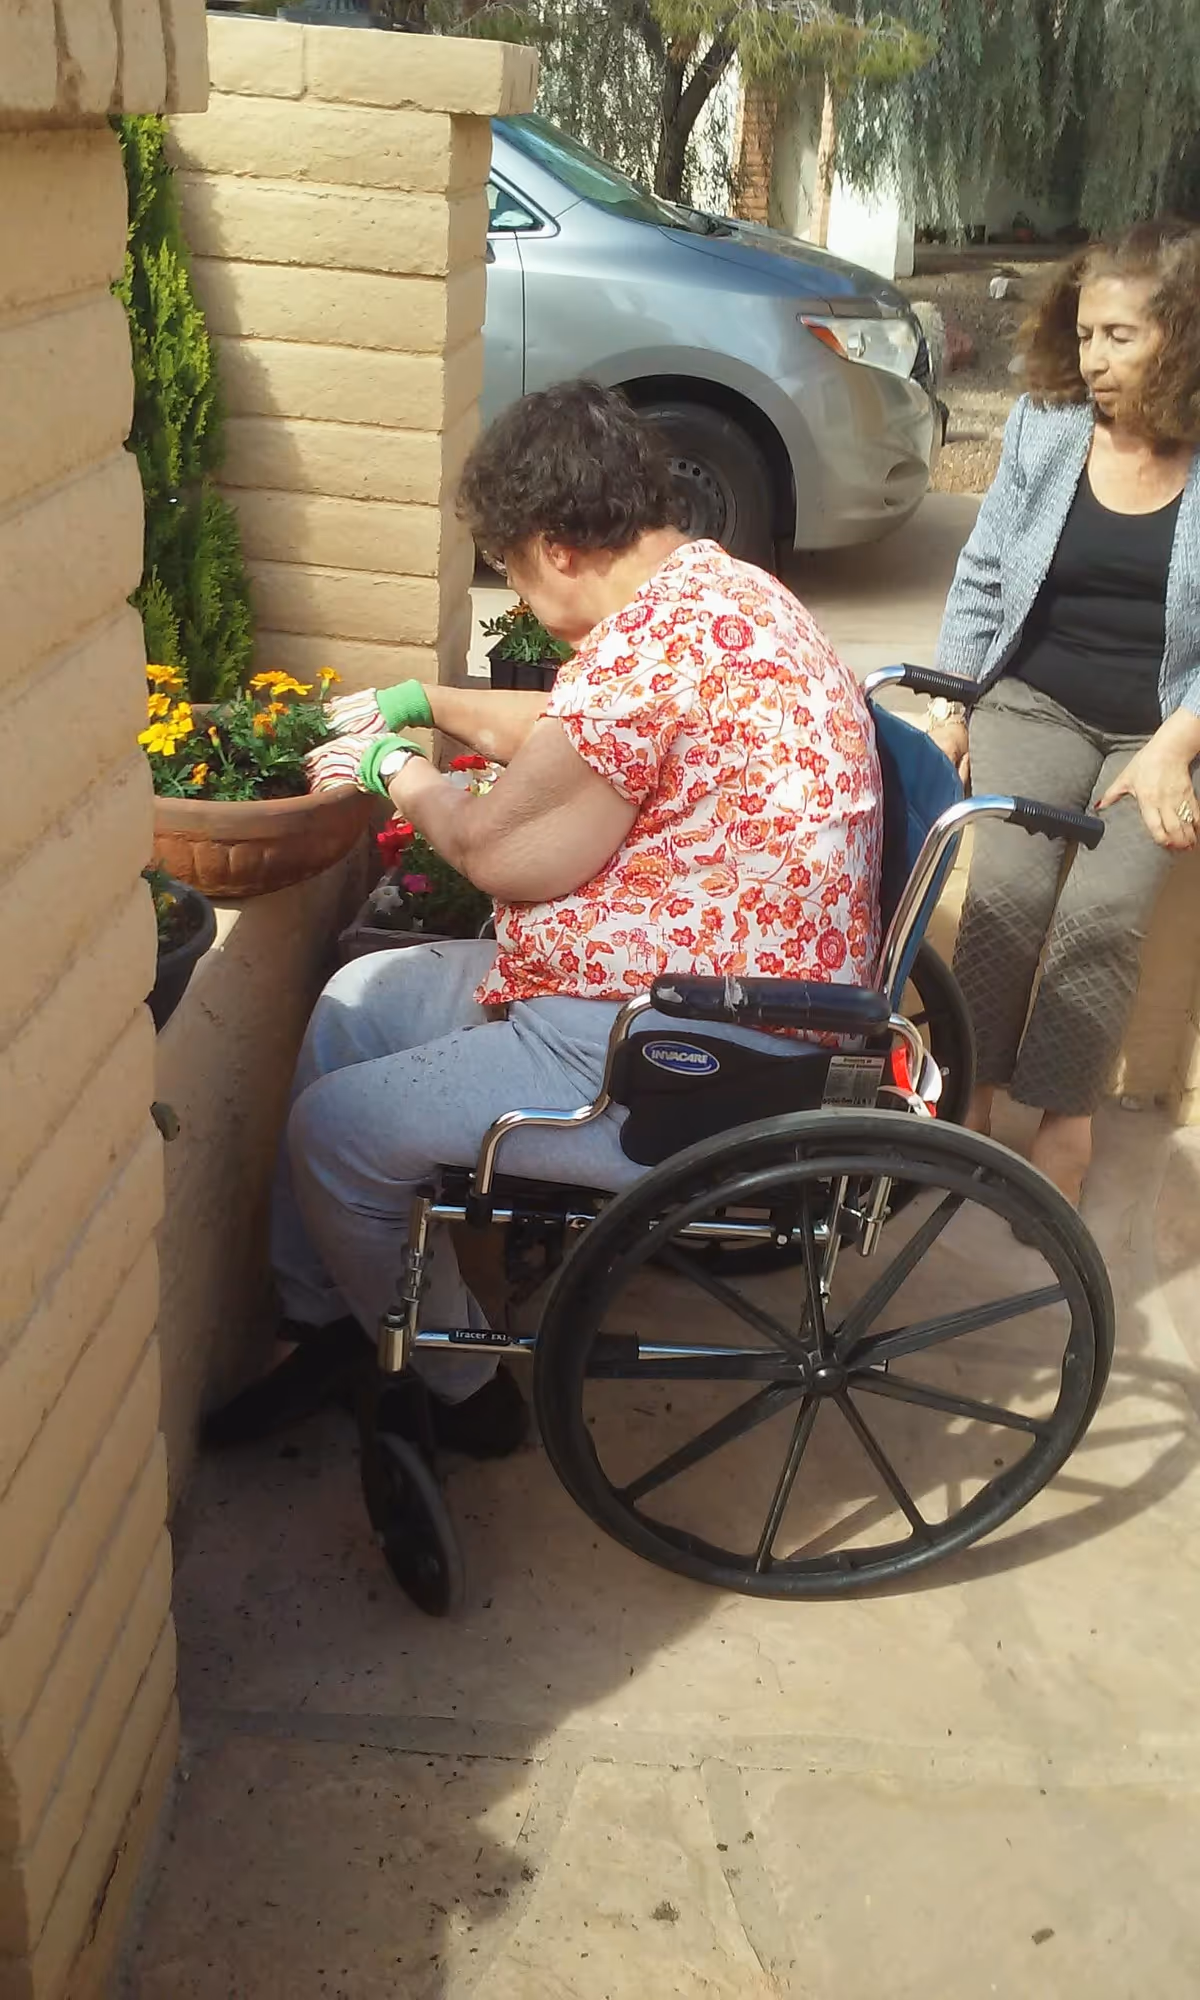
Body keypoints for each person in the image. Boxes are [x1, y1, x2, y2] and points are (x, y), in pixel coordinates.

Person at [204, 381, 883, 1457]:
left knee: (333, 1135)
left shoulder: (649, 656)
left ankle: (465, 1386)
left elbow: (499, 854)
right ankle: (328, 1317)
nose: (513, 594)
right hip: (707, 984)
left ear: (558, 549)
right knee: (353, 1004)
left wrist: (397, 772)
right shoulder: (718, 596)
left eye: (511, 568)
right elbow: (571, 728)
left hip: (672, 1044)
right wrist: (423, 700)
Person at [929, 219, 1200, 1207]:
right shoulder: (1048, 424)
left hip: (1165, 727)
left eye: (1122, 336)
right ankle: (974, 1093)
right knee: (1004, 894)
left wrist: (1178, 741)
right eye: (1085, 334)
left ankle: (1063, 1113)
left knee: (1104, 913)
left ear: (1185, 333)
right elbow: (986, 570)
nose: (1094, 359)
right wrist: (956, 703)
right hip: (1037, 700)